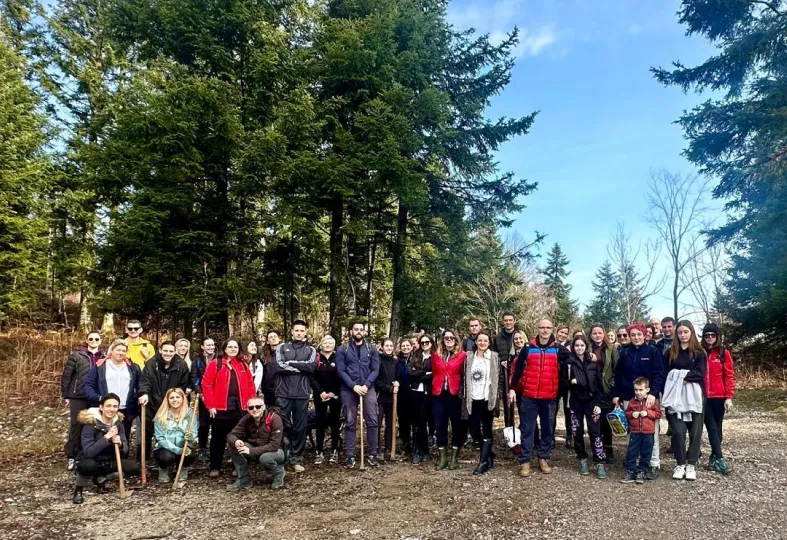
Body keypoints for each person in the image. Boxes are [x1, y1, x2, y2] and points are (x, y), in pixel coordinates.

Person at [509, 319, 569, 477]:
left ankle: (543, 458)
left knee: (548, 429)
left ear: (552, 330)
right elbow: (517, 371)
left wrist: (589, 355)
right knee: (527, 429)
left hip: (549, 397)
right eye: (542, 327)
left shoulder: (558, 349)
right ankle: (525, 461)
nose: (545, 330)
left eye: (548, 327)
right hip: (529, 396)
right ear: (538, 328)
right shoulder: (528, 348)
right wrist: (512, 389)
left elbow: (574, 360)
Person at [613, 322, 665, 480]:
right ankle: (634, 463)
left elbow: (659, 374)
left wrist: (653, 393)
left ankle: (654, 464)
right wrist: (617, 395)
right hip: (630, 397)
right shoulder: (625, 353)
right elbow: (618, 374)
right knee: (634, 431)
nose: (636, 337)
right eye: (633, 335)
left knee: (651, 432)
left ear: (644, 335)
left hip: (649, 397)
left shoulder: (652, 352)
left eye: (639, 334)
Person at [201, 338, 256, 477]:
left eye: (235, 347)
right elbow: (206, 384)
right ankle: (215, 466)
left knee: (239, 437)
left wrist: (251, 403)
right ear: (225, 349)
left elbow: (250, 384)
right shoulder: (216, 364)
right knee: (218, 437)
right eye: (230, 347)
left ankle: (237, 465)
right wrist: (211, 405)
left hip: (240, 407)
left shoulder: (243, 364)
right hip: (221, 408)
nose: (233, 349)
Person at [73, 393, 141, 504]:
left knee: (133, 467)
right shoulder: (90, 423)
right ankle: (79, 489)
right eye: (108, 406)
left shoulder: (118, 424)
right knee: (88, 466)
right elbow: (88, 452)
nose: (111, 409)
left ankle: (102, 479)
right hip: (91, 460)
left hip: (108, 461)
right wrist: (106, 437)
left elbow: (125, 449)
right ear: (101, 407)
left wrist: (120, 444)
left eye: (115, 406)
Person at [663, 320, 707, 481]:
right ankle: (680, 462)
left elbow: (700, 374)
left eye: (686, 332)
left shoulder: (699, 352)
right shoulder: (670, 353)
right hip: (675, 396)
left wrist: (680, 376)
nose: (683, 335)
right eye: (680, 332)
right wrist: (678, 378)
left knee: (695, 432)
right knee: (678, 431)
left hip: (695, 397)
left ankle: (691, 464)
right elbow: (666, 374)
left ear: (691, 333)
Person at [336, 320, 381, 468]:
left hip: (368, 388)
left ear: (364, 332)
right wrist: (354, 386)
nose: (359, 332)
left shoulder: (371, 348)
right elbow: (341, 370)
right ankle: (350, 455)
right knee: (350, 422)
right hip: (349, 389)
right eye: (356, 329)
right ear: (351, 331)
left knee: (373, 421)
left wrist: (366, 385)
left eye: (361, 329)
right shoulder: (343, 349)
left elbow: (375, 369)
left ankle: (373, 453)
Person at [274, 320, 317, 472]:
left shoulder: (311, 350)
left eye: (302, 330)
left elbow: (311, 367)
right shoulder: (282, 347)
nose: (299, 333)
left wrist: (291, 363)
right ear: (291, 332)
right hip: (283, 393)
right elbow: (279, 366)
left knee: (300, 427)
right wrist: (300, 367)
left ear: (305, 333)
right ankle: (281, 457)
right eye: (296, 330)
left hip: (302, 394)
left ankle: (296, 458)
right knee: (281, 426)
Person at [138, 341, 190, 461]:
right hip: (152, 402)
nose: (168, 353)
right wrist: (144, 393)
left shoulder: (181, 365)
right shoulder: (152, 363)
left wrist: (177, 399)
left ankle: (172, 457)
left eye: (171, 351)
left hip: (171, 404)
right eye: (165, 351)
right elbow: (145, 380)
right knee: (147, 430)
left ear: (175, 351)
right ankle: (142, 459)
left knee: (170, 430)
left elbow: (183, 384)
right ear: (160, 350)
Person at [84, 340, 141, 447]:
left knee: (123, 438)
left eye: (123, 351)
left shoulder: (133, 367)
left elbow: (140, 385)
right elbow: (88, 385)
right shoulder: (100, 366)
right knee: (104, 436)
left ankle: (122, 459)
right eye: (118, 350)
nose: (121, 353)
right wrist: (98, 398)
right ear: (112, 351)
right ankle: (104, 460)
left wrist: (138, 396)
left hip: (125, 409)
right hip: (106, 409)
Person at [62, 331, 105, 471]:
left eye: (96, 338)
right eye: (91, 338)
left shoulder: (104, 356)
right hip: (78, 395)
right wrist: (66, 395)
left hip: (95, 395)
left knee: (93, 424)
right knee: (76, 425)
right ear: (87, 340)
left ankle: (87, 453)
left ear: (100, 340)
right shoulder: (77, 356)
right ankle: (72, 456)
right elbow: (67, 376)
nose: (93, 340)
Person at [564, 335, 606, 478]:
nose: (579, 348)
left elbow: (600, 386)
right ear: (572, 347)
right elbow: (562, 383)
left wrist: (599, 404)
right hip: (576, 401)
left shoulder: (593, 363)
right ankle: (582, 459)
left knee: (595, 432)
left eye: (582, 345)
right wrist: (571, 382)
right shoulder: (568, 363)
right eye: (576, 346)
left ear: (586, 346)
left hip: (592, 401)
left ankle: (600, 460)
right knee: (577, 431)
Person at [226, 396, 286, 490]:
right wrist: (236, 441)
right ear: (247, 409)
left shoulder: (274, 418)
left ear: (263, 407)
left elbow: (274, 445)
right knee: (233, 446)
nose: (254, 409)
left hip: (276, 451)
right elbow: (231, 435)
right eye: (251, 407)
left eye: (258, 406)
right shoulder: (246, 419)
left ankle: (278, 473)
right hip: (255, 449)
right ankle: (244, 480)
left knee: (265, 458)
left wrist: (251, 451)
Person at [430, 329, 467, 471]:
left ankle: (454, 457)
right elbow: (434, 371)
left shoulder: (462, 355)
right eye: (446, 338)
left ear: (456, 340)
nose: (449, 340)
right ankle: (443, 457)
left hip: (455, 395)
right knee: (440, 425)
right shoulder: (436, 355)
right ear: (443, 340)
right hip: (439, 394)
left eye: (452, 338)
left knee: (457, 425)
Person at [701, 323, 735, 474]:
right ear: (703, 336)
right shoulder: (699, 352)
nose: (710, 338)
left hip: (719, 396)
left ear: (717, 336)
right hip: (703, 397)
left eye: (713, 335)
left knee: (718, 427)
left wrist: (729, 397)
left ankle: (713, 458)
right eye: (707, 335)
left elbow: (729, 375)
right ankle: (720, 458)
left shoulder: (723, 353)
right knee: (711, 426)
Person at [465, 331, 499, 475]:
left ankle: (483, 462)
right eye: (480, 340)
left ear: (489, 342)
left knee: (487, 429)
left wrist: (498, 396)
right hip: (473, 398)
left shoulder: (493, 357)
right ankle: (489, 454)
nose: (482, 343)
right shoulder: (469, 357)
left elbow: (499, 377)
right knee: (473, 429)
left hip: (487, 398)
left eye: (485, 340)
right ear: (476, 342)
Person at [620, 377, 662, 484]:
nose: (638, 393)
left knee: (646, 453)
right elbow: (627, 413)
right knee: (632, 452)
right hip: (635, 432)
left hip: (648, 433)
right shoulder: (632, 402)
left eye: (641, 390)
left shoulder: (651, 402)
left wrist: (648, 413)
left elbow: (658, 414)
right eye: (636, 390)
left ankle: (642, 472)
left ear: (647, 390)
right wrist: (631, 414)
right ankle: (631, 472)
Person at [152, 388, 198, 484]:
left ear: (183, 399)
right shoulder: (160, 416)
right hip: (165, 448)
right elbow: (160, 438)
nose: (175, 400)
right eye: (171, 397)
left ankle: (183, 467)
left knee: (190, 453)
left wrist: (191, 437)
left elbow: (194, 432)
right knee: (166, 457)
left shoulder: (190, 414)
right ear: (167, 400)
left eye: (178, 397)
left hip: (183, 446)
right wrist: (177, 450)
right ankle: (163, 469)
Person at [589, 324, 619, 465]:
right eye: (594, 333)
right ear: (591, 335)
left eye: (600, 333)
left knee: (606, 422)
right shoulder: (587, 348)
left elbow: (616, 368)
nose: (597, 335)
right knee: (595, 421)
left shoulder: (611, 348)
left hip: (607, 389)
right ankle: (597, 450)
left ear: (604, 334)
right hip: (592, 389)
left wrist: (613, 384)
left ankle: (609, 449)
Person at [311, 335, 342, 465]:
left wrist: (334, 392)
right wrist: (321, 392)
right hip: (320, 395)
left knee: (335, 423)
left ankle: (335, 449)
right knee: (320, 423)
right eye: (326, 343)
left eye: (331, 343)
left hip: (335, 395)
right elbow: (312, 377)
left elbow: (342, 376)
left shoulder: (339, 358)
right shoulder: (316, 358)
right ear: (321, 344)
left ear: (334, 345)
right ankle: (319, 450)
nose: (328, 345)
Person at [408, 335, 433, 465]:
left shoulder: (435, 357)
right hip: (415, 393)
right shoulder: (415, 356)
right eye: (422, 342)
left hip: (428, 394)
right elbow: (410, 374)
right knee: (417, 422)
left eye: (427, 342)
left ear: (431, 343)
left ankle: (419, 449)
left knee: (423, 421)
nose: (424, 344)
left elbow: (435, 374)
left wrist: (419, 373)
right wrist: (425, 373)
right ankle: (420, 449)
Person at [189, 336, 216, 459]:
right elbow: (194, 379)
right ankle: (202, 447)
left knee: (217, 424)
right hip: (203, 397)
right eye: (208, 345)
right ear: (202, 347)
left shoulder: (219, 359)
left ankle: (216, 448)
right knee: (204, 424)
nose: (210, 347)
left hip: (218, 396)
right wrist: (200, 393)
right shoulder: (198, 361)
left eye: (212, 345)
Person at [492, 311, 518, 428]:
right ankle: (508, 429)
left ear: (514, 321)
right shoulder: (497, 338)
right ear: (503, 322)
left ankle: (524, 432)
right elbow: (494, 355)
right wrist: (499, 362)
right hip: (504, 374)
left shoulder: (518, 335)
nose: (508, 322)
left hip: (518, 375)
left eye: (510, 320)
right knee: (507, 404)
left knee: (523, 405)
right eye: (506, 320)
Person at [375, 338, 399, 461]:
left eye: (391, 345)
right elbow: (376, 381)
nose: (389, 348)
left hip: (392, 399)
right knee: (377, 424)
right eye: (387, 345)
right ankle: (376, 448)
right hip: (380, 398)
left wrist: (397, 384)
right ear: (382, 347)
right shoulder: (378, 361)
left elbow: (398, 377)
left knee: (391, 424)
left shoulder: (395, 362)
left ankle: (389, 448)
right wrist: (389, 388)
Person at [396, 337, 414, 454]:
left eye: (407, 346)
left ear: (411, 346)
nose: (406, 348)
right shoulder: (397, 361)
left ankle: (416, 442)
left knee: (415, 418)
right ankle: (406, 441)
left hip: (415, 393)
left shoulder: (416, 358)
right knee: (403, 419)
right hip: (401, 394)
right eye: (403, 346)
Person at [261, 330, 281, 407]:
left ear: (279, 339)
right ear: (267, 341)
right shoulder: (263, 355)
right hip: (268, 390)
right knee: (269, 414)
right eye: (270, 337)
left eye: (275, 336)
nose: (273, 338)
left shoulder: (285, 352)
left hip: (282, 389)